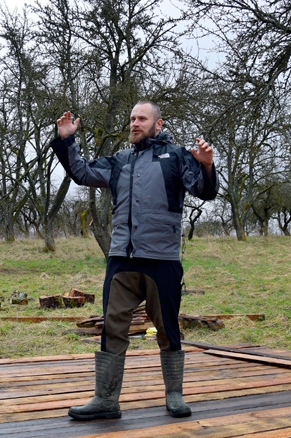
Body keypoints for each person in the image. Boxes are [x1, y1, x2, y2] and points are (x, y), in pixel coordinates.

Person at [50, 100, 218, 420]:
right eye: (132, 118)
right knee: (112, 328)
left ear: (159, 124)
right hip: (121, 260)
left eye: (142, 118)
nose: (135, 123)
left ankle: (174, 395)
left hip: (162, 259)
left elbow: (204, 191)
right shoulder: (119, 161)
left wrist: (207, 166)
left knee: (168, 329)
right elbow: (82, 172)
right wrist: (67, 139)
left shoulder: (177, 157)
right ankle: (106, 399)